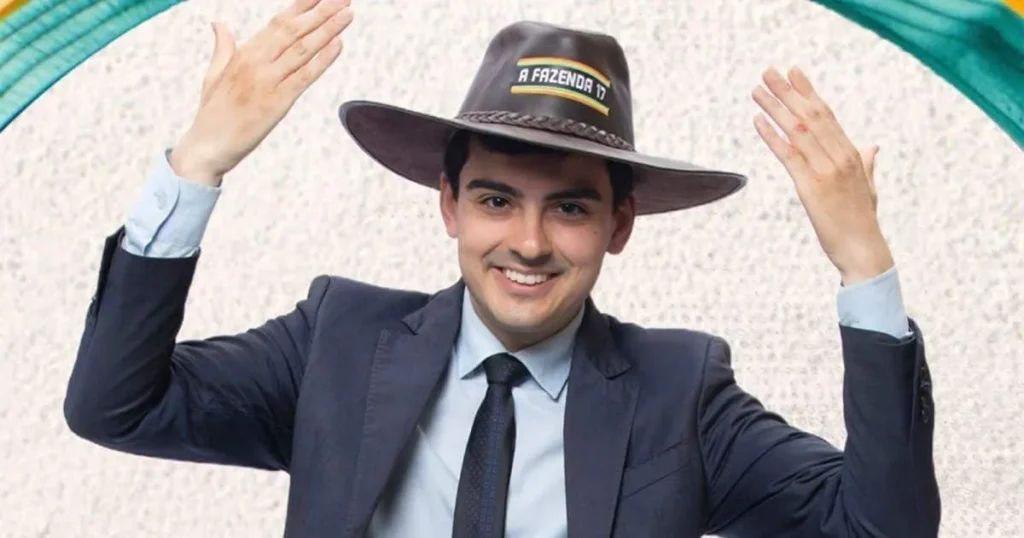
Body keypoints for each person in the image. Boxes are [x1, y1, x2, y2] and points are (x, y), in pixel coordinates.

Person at [62, 0, 941, 537]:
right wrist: (197, 166)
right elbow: (114, 405)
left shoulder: (681, 393)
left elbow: (880, 528)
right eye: (495, 200)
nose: (527, 241)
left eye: (570, 208)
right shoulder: (338, 341)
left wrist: (862, 264)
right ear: (448, 205)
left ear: (619, 225)